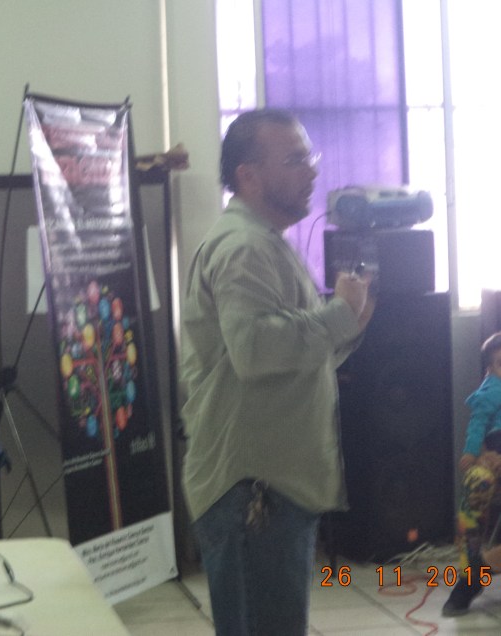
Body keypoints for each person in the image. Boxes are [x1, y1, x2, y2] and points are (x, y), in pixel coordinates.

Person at [179, 108, 375, 635]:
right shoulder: (243, 248)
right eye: (294, 160)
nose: (311, 171)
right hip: (253, 491)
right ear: (248, 176)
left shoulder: (266, 242)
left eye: (310, 158)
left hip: (273, 484)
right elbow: (256, 350)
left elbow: (295, 360)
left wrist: (346, 327)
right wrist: (338, 315)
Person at [442, 332, 501, 616]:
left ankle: (480, 568)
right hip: (494, 449)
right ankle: (472, 571)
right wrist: (476, 452)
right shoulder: (491, 392)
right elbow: (478, 425)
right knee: (478, 480)